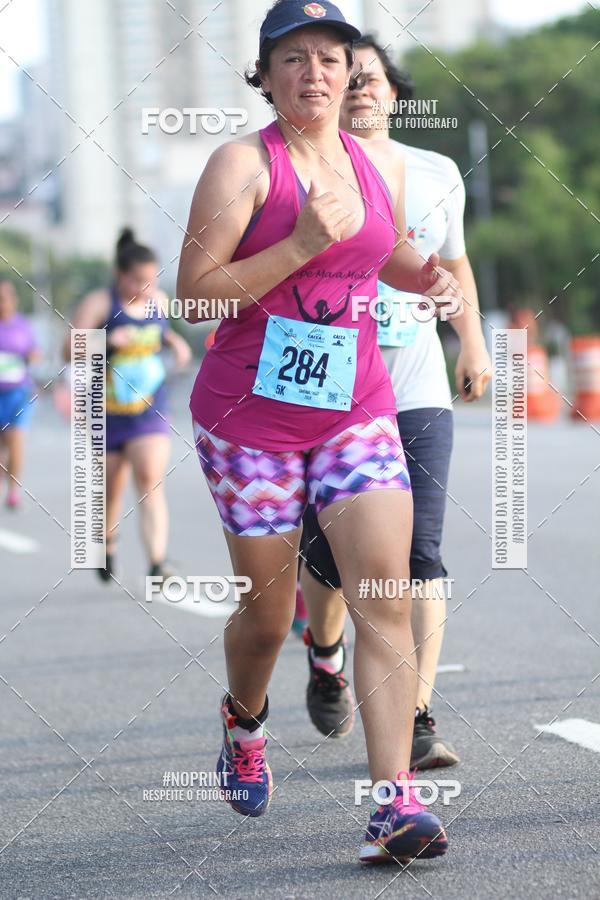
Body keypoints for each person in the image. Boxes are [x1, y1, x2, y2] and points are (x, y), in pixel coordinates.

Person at [178, 0, 464, 864]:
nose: (316, 72)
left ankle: (393, 802)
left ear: (352, 74)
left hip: (357, 409)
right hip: (249, 420)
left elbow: (384, 254)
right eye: (294, 58)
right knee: (269, 620)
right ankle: (243, 720)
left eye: (332, 57)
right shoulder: (242, 165)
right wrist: (300, 241)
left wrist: (433, 278)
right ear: (265, 77)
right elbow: (196, 295)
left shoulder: (365, 164)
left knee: (381, 594)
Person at [297, 35, 492, 769]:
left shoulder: (440, 172)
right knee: (326, 556)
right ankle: (325, 650)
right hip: (332, 394)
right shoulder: (306, 172)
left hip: (416, 390)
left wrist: (471, 341)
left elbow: (457, 264)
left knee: (422, 556)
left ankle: (415, 717)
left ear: (394, 92)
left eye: (371, 79)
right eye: (348, 81)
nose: (359, 91)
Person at [65, 228, 191, 582]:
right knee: (110, 487)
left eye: (151, 280)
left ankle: (157, 562)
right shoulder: (100, 303)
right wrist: (105, 341)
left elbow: (159, 333)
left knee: (150, 479)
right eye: (138, 280)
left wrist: (175, 341)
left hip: (148, 409)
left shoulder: (159, 301)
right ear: (121, 275)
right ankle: (107, 542)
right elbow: (67, 350)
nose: (146, 287)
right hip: (105, 414)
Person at [0, 277, 41, 509]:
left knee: (15, 440)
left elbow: (35, 351)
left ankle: (13, 490)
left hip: (19, 393)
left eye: (5, 298)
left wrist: (31, 356)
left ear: (13, 301)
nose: (2, 303)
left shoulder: (22, 325)